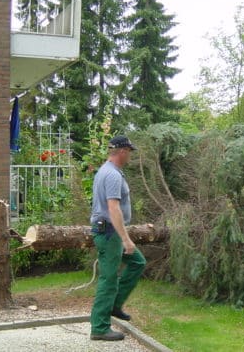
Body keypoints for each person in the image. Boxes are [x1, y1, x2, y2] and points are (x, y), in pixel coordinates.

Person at [89, 135, 146, 341]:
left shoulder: (107, 171)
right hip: (110, 233)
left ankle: (114, 305)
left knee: (138, 262)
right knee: (109, 279)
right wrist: (126, 239)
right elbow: (113, 208)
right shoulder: (111, 175)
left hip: (110, 232)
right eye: (129, 151)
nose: (130, 155)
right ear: (122, 151)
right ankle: (99, 327)